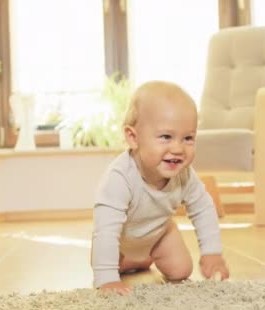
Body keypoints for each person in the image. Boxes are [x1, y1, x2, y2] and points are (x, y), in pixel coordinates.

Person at [91, 80, 229, 295]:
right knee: (109, 263)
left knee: (181, 270)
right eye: (166, 137)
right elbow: (106, 230)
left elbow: (203, 208)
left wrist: (212, 252)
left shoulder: (184, 175)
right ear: (133, 138)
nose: (178, 148)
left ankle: (144, 257)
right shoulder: (119, 178)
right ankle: (127, 260)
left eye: (188, 138)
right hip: (121, 239)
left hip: (158, 233)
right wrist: (107, 278)